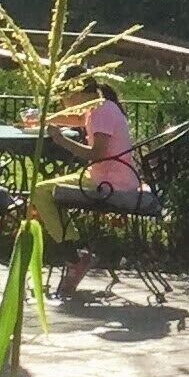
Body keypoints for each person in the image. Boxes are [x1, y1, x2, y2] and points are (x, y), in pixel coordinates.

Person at [44, 76, 145, 302]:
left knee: (41, 191)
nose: (63, 104)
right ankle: (73, 252)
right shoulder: (99, 108)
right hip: (111, 177)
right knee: (46, 190)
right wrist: (44, 119)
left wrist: (61, 141)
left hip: (111, 183)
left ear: (76, 94)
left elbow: (97, 153)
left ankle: (73, 254)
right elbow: (77, 118)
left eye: (63, 98)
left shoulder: (101, 112)